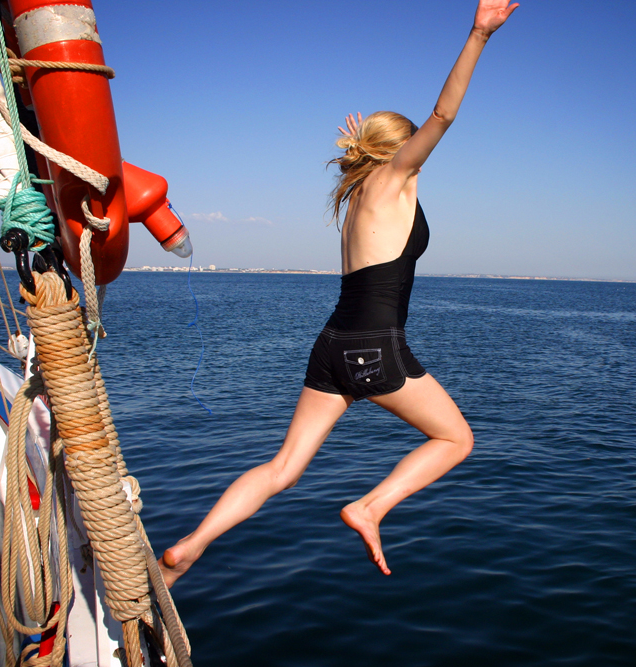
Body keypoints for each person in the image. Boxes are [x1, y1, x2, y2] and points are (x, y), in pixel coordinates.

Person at [160, 0, 518, 585]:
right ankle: (369, 507)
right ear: (401, 151)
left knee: (282, 468)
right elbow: (444, 114)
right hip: (374, 347)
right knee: (456, 438)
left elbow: (384, 154)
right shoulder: (396, 178)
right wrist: (479, 34)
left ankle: (191, 546)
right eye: (414, 150)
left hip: (331, 344)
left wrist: (368, 139)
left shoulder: (356, 196)